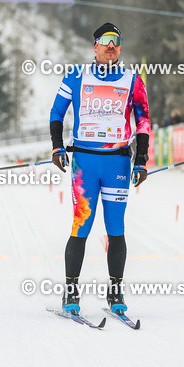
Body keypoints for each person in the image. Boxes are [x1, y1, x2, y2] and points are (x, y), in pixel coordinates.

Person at [49, 22, 151, 317]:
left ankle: (116, 288)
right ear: (95, 46)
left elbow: (143, 121)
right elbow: (57, 112)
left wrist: (141, 159)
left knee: (115, 229)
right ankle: (71, 289)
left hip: (117, 162)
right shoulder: (77, 76)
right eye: (105, 41)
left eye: (116, 42)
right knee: (80, 226)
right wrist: (57, 146)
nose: (111, 46)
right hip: (85, 164)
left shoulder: (133, 80)